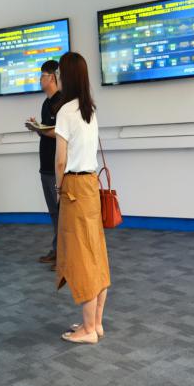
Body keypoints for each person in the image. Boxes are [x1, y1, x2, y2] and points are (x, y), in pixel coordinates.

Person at [54, 52, 111, 344]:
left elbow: (60, 161)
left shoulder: (65, 112)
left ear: (67, 77)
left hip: (74, 188)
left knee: (81, 258)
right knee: (96, 253)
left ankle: (88, 330)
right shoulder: (90, 109)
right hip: (91, 185)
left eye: (59, 74)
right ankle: (96, 322)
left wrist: (58, 189)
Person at [25, 60, 62, 267]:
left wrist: (39, 129)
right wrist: (37, 127)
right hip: (45, 166)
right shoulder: (45, 103)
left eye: (43, 76)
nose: (40, 80)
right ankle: (57, 250)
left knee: (62, 213)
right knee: (54, 213)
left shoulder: (62, 102)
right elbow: (48, 129)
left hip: (57, 166)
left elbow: (60, 132)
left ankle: (64, 255)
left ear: (53, 77)